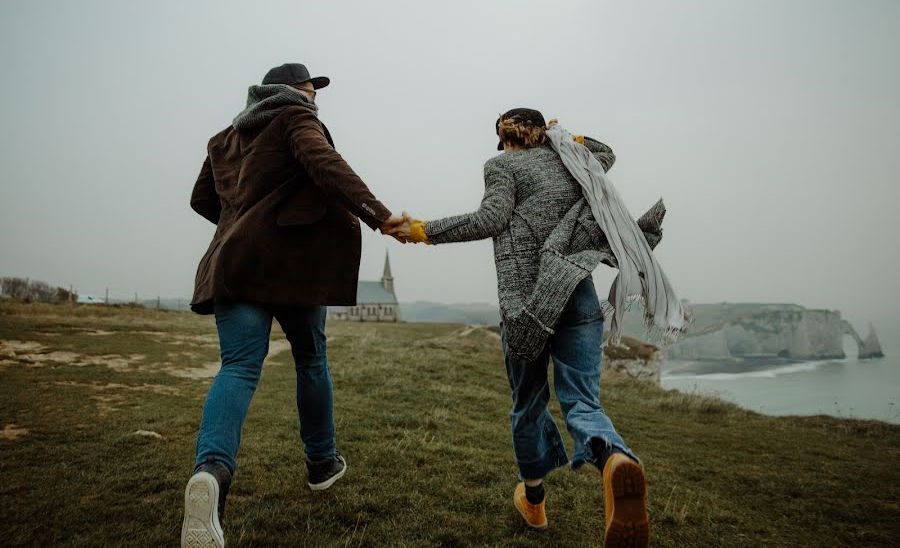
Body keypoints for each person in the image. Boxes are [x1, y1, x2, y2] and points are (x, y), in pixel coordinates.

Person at [385, 108, 688, 547]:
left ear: (503, 139)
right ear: (543, 133)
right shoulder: (573, 161)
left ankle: (534, 502)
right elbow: (606, 152)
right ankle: (616, 459)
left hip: (528, 305)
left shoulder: (501, 165)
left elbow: (488, 220)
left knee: (527, 405)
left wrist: (420, 230)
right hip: (577, 293)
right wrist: (564, 137)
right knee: (582, 401)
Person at [182, 63, 404, 548]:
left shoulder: (226, 137)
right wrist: (381, 217)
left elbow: (204, 199)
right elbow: (327, 167)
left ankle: (212, 472)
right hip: (292, 271)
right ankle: (322, 463)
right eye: (309, 88)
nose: (314, 96)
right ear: (286, 91)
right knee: (311, 358)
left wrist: (245, 220)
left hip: (234, 266)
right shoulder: (295, 118)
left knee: (238, 367)